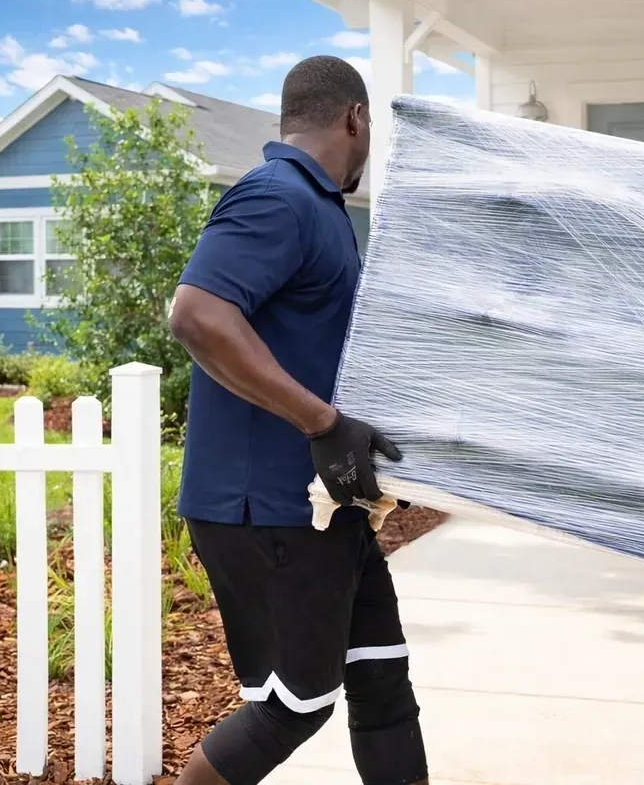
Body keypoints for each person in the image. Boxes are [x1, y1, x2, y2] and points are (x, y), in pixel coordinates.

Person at [167, 55, 430, 785]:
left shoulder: (321, 209)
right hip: (270, 507)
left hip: (324, 502)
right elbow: (196, 314)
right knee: (296, 704)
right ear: (355, 117)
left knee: (382, 682)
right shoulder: (277, 197)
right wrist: (321, 424)